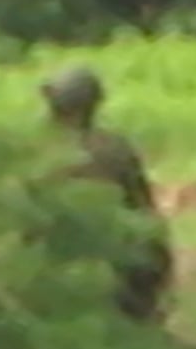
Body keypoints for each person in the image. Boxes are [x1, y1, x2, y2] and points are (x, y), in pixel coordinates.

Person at [44, 65, 173, 321]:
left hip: (57, 267)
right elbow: (143, 213)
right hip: (109, 267)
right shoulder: (115, 149)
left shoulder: (39, 150)